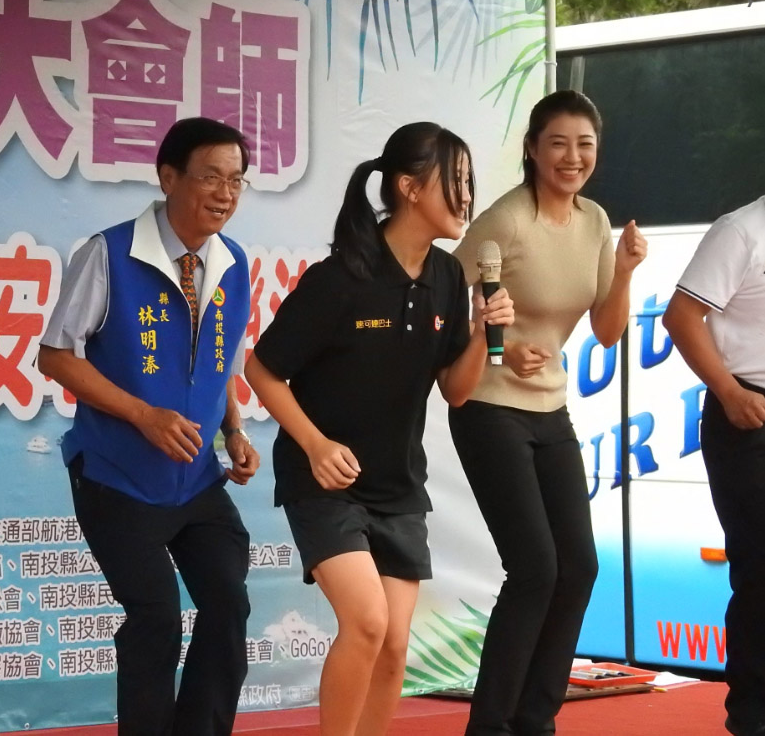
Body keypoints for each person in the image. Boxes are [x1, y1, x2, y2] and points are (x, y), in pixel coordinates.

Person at [245, 122, 514, 736]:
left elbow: (458, 389)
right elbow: (261, 369)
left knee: (394, 647)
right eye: (458, 181)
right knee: (366, 622)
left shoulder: (447, 275)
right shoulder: (341, 277)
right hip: (326, 481)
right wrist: (314, 445)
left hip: (397, 484)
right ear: (410, 187)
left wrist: (481, 330)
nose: (468, 196)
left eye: (470, 182)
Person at [38, 117, 259, 736]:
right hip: (117, 476)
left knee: (228, 604)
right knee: (157, 616)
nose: (224, 193)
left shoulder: (233, 262)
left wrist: (233, 433)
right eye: (210, 177)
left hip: (196, 481)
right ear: (168, 177)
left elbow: (221, 364)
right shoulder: (108, 253)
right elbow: (55, 355)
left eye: (236, 181)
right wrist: (141, 415)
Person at [448, 90, 648, 736]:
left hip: (549, 408)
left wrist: (622, 272)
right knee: (534, 566)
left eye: (584, 144)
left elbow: (608, 329)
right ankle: (491, 724)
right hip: (488, 404)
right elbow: (443, 309)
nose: (572, 156)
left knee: (578, 566)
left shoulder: (593, 220)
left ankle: (534, 718)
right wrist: (500, 341)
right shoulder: (504, 222)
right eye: (557, 142)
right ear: (532, 149)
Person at [662, 196, 765, 736]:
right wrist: (726, 391)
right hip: (747, 410)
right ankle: (751, 716)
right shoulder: (743, 230)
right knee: (761, 568)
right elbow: (681, 315)